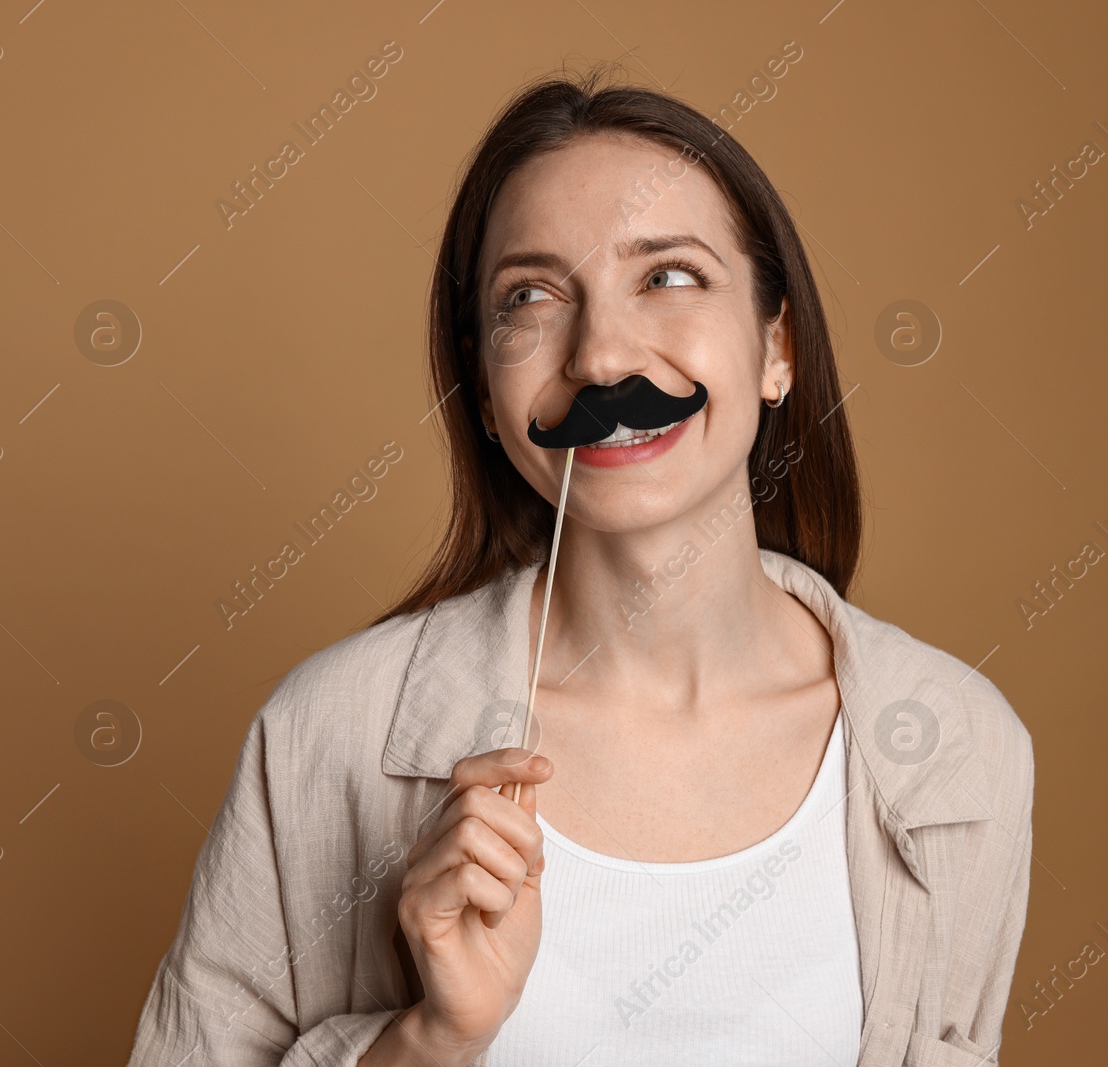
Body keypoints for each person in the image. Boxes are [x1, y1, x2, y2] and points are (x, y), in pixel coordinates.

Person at [125, 67, 1034, 1067]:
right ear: (481, 389)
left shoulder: (957, 747)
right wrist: (429, 1038)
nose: (600, 356)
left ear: (777, 346)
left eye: (668, 275)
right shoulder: (322, 737)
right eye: (532, 295)